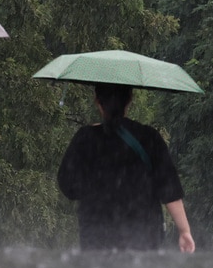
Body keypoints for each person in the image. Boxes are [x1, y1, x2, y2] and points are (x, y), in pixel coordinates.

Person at [57, 83, 195, 252]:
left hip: (97, 237)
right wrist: (184, 231)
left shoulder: (85, 138)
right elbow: (169, 189)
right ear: (129, 99)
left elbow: (68, 186)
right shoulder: (149, 137)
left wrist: (97, 190)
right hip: (144, 237)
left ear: (97, 101)